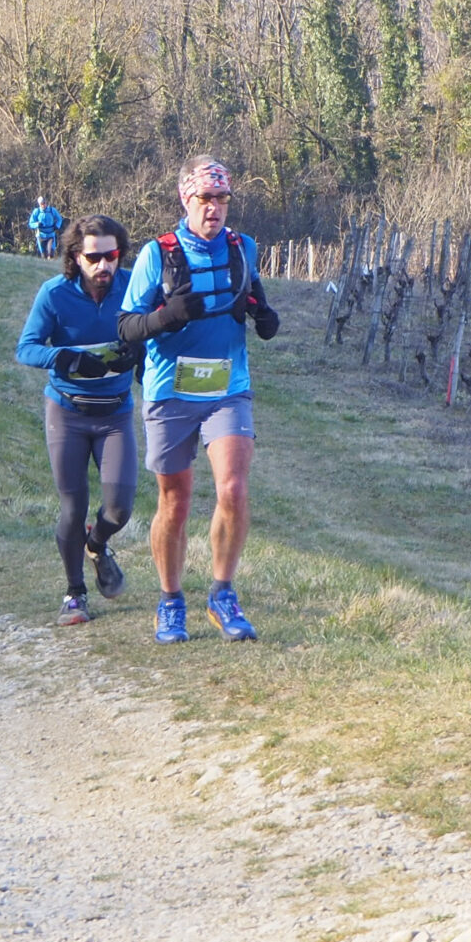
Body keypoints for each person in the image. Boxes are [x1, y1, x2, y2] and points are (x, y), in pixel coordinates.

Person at [116, 155, 280, 643]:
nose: (215, 208)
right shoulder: (157, 254)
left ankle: (222, 593)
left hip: (228, 388)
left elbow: (253, 297)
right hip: (170, 390)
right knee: (175, 501)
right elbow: (126, 327)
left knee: (233, 489)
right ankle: (170, 600)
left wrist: (264, 315)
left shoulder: (243, 248)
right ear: (186, 199)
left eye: (222, 199)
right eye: (206, 198)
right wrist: (166, 317)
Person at [15, 214, 138, 625]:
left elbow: (156, 331)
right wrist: (64, 357)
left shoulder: (134, 287)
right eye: (93, 258)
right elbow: (26, 348)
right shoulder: (54, 294)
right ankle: (75, 593)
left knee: (119, 509)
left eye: (111, 256)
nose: (104, 265)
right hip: (67, 412)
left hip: (115, 413)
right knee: (73, 506)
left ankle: (97, 545)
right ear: (75, 257)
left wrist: (140, 350)